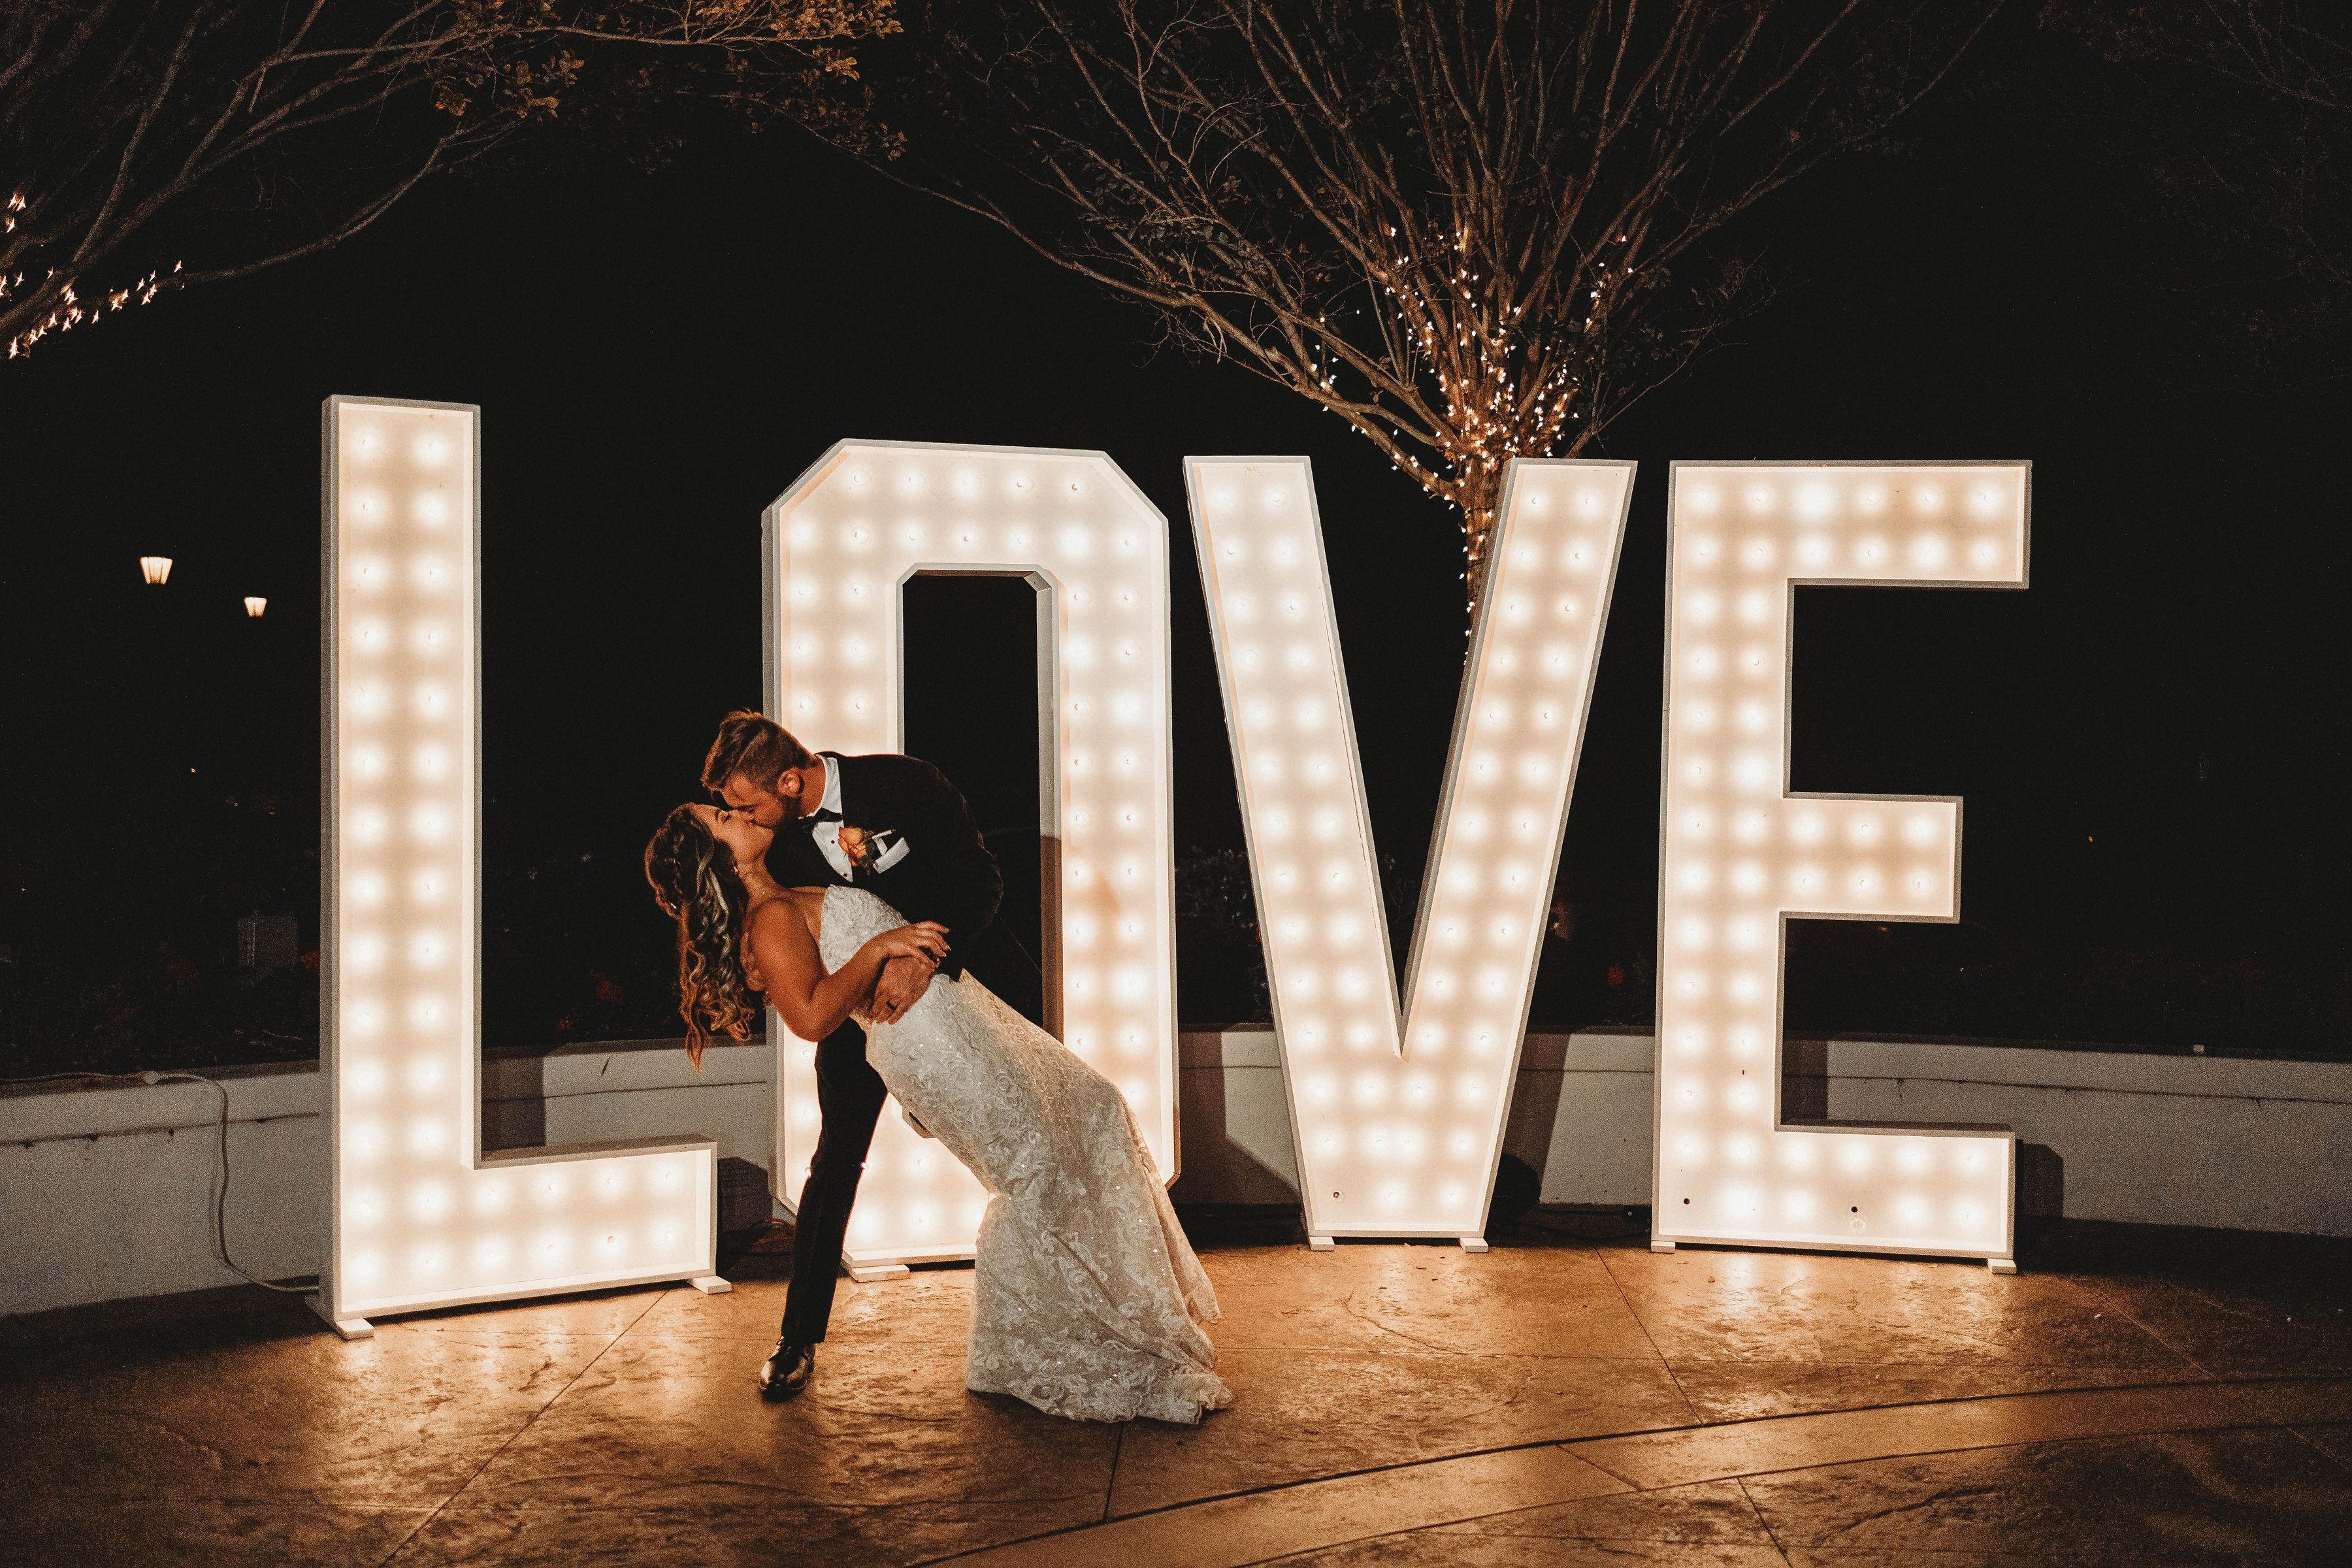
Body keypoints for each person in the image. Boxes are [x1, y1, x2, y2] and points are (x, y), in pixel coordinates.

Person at [644, 797, 1230, 1424]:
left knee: (1095, 1104)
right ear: (718, 859)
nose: (737, 813)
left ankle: (1115, 1311)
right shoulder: (768, 919)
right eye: (721, 819)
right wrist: (879, 949)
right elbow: (811, 1018)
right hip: (926, 1043)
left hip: (962, 1013)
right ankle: (1047, 1348)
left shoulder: (785, 888)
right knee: (1033, 1168)